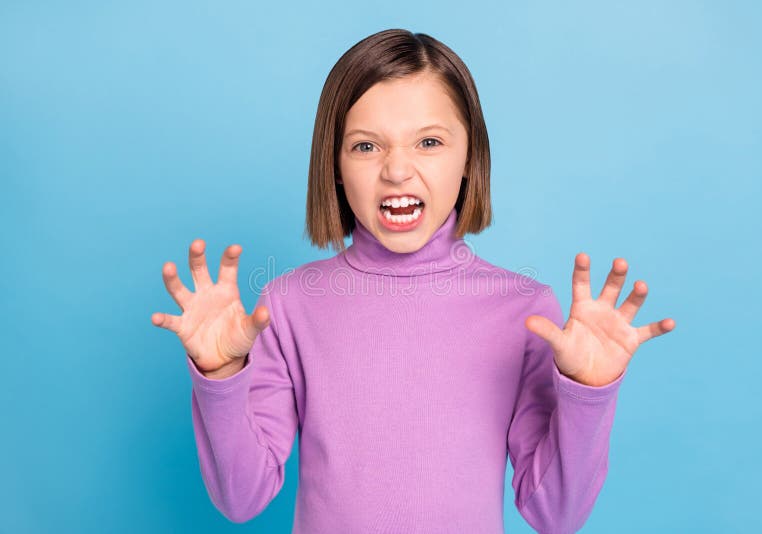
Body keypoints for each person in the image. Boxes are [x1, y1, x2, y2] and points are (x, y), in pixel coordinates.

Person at [151, 28, 675, 533]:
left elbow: (555, 517)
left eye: (428, 141)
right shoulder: (288, 304)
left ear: (469, 156)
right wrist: (219, 375)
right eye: (365, 146)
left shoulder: (527, 312)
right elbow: (241, 499)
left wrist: (589, 393)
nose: (397, 170)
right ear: (333, 164)